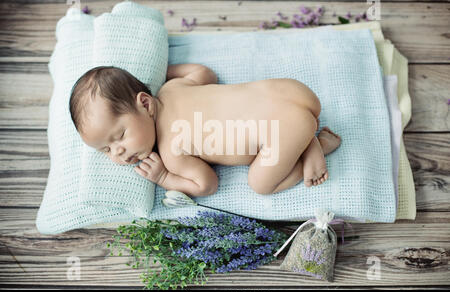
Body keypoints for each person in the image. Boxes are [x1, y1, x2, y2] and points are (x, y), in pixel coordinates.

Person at [69, 64, 341, 197]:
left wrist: (165, 177)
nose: (119, 152)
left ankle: (312, 146)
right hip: (292, 91)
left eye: (120, 137)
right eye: (105, 149)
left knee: (261, 184)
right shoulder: (171, 87)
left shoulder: (171, 150)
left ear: (144, 103)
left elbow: (207, 185)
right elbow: (204, 73)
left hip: (284, 127)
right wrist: (165, 69)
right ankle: (303, 135)